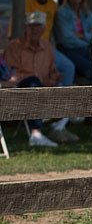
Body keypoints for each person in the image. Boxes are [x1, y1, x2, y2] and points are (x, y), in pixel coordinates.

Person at [4, 11, 80, 146]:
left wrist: (54, 78)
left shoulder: (47, 47)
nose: (34, 29)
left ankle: (58, 128)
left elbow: (53, 71)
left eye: (38, 26)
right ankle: (36, 133)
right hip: (21, 89)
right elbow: (11, 74)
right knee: (34, 83)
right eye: (31, 26)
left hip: (43, 88)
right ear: (26, 27)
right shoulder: (14, 47)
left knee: (69, 89)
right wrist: (40, 79)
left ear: (44, 28)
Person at [26, 0, 76, 86]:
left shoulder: (53, 5)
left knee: (68, 67)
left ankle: (66, 99)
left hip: (47, 46)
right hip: (27, 46)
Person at [53, 0, 92, 83]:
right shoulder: (62, 13)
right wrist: (88, 39)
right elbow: (66, 39)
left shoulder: (86, 13)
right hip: (68, 50)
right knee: (90, 68)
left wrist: (83, 36)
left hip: (86, 49)